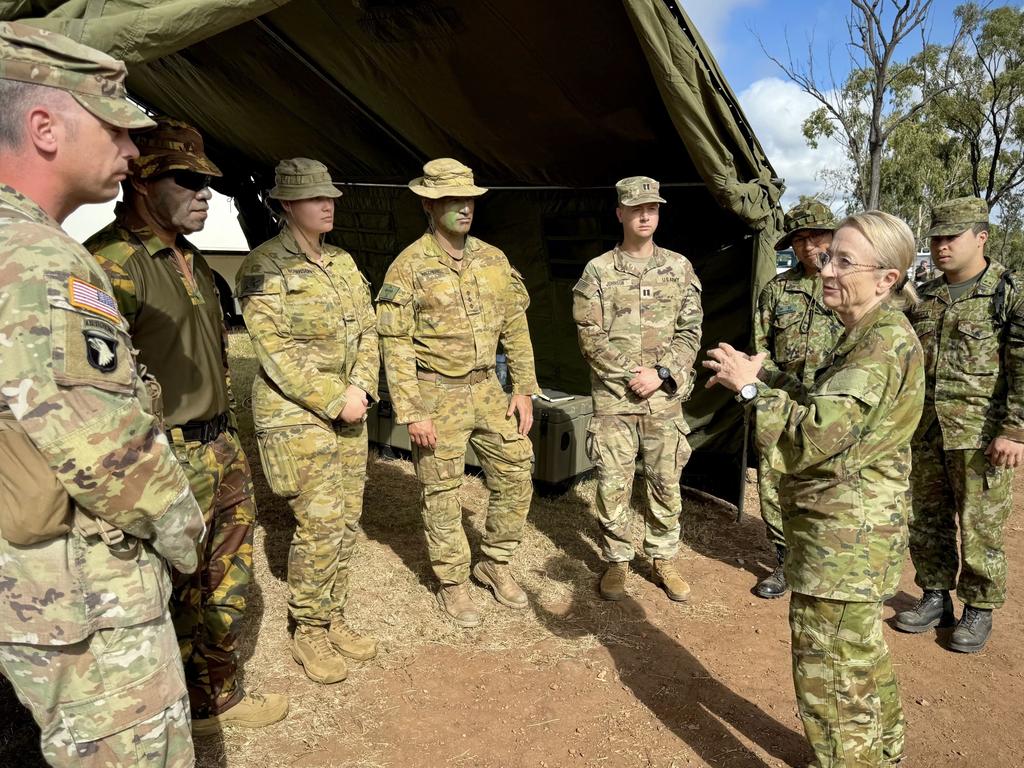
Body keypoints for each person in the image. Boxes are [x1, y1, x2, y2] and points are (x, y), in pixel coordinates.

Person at [0, 22, 206, 767]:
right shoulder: (44, 262)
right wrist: (185, 530)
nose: (130, 152)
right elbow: (107, 453)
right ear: (45, 127)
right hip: (74, 603)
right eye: (117, 128)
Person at [85, 117, 287, 733]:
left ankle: (213, 698)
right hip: (159, 458)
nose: (206, 193)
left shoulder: (194, 262)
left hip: (219, 445)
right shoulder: (107, 266)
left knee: (224, 584)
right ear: (142, 182)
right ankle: (162, 714)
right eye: (188, 179)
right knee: (159, 594)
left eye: (208, 181)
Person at [704, 211, 924, 767]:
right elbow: (828, 405)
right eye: (828, 257)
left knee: (830, 678)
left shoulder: (878, 348)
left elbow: (812, 434)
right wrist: (769, 376)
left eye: (843, 260)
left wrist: (752, 392)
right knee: (859, 658)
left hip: (842, 544)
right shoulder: (868, 334)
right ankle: (885, 753)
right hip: (849, 537)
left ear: (886, 279)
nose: (826, 268)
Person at [376, 157, 538, 628]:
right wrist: (412, 411)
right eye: (453, 200)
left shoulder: (493, 259)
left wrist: (523, 386)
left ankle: (495, 561)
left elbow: (515, 325)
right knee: (441, 491)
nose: (465, 208)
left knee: (516, 468)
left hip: (488, 386)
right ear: (429, 204)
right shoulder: (407, 267)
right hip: (435, 393)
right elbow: (396, 345)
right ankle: (453, 582)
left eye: (469, 199)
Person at [235, 158, 379, 684]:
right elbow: (273, 349)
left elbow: (368, 329)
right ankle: (309, 628)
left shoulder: (342, 262)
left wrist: (360, 387)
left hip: (349, 407)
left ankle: (333, 613)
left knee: (346, 518)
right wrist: (332, 396)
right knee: (318, 522)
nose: (328, 205)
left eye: (331, 197)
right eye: (316, 198)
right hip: (295, 416)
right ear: (286, 205)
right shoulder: (263, 267)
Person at [895, 196, 1024, 653]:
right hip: (926, 431)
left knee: (980, 524)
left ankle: (978, 607)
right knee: (926, 519)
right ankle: (934, 596)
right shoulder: (923, 297)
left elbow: (1022, 365)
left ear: (981, 236)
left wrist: (1014, 430)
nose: (941, 246)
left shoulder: (1009, 293)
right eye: (936, 238)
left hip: (981, 436)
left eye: (951, 237)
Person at [571, 176, 702, 602]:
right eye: (637, 208)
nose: (646, 215)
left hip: (663, 401)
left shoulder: (679, 268)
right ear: (620, 214)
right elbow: (590, 337)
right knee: (613, 482)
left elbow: (690, 331)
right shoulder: (599, 271)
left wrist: (661, 372)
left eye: (653, 208)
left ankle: (662, 557)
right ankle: (616, 559)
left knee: (666, 482)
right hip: (615, 401)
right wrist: (634, 374)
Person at [752, 199, 843, 599]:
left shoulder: (847, 287)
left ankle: (826, 563)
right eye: (800, 239)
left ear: (834, 236)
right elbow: (760, 350)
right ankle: (786, 561)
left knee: (831, 485)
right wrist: (766, 397)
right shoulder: (777, 290)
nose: (808, 246)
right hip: (783, 406)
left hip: (832, 409)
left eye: (816, 236)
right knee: (774, 483)